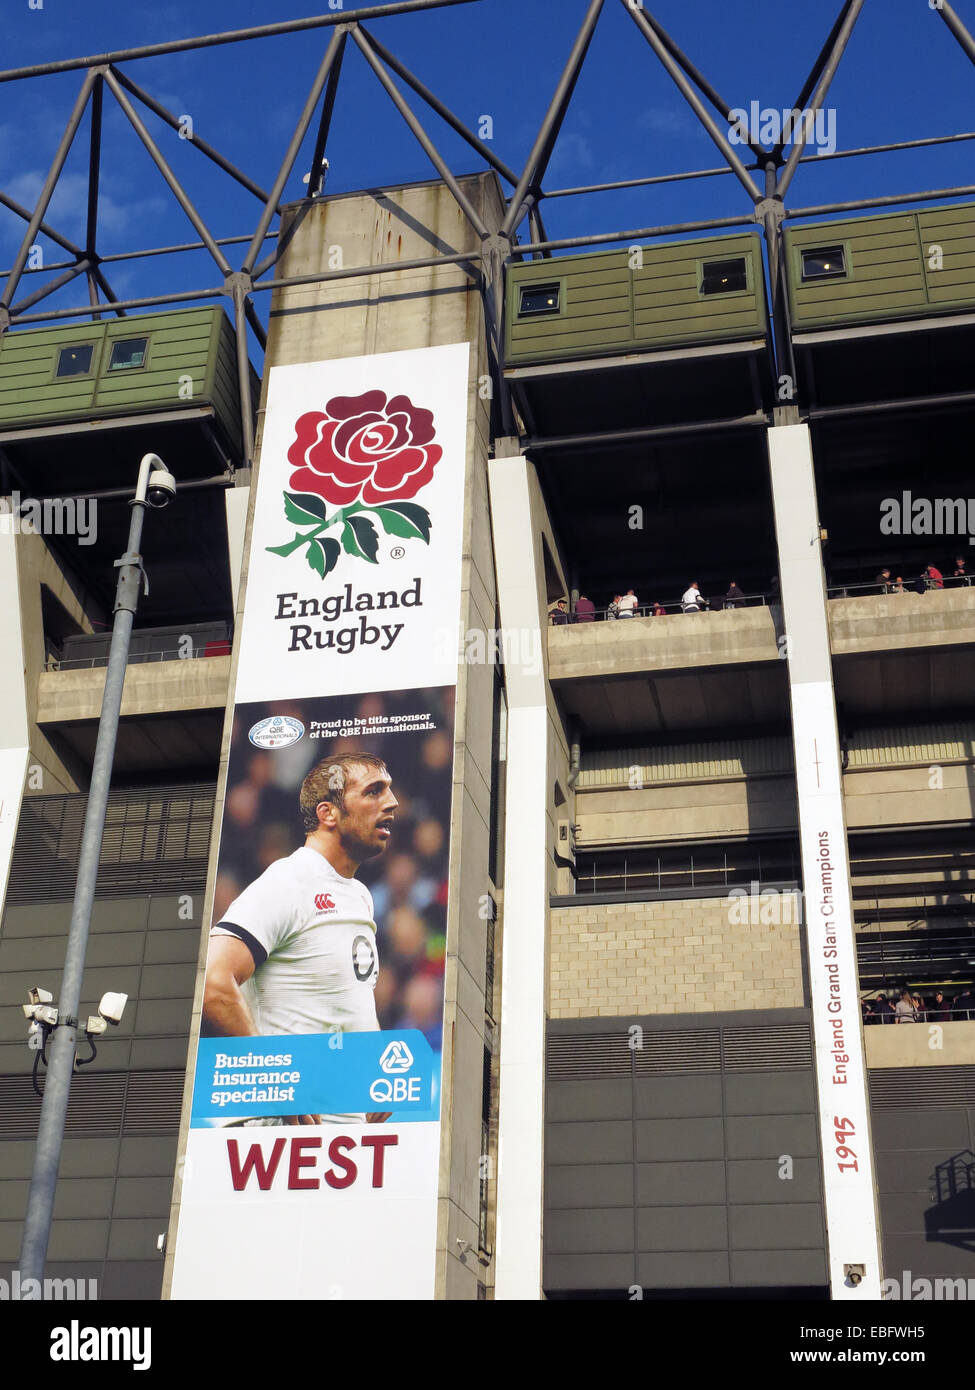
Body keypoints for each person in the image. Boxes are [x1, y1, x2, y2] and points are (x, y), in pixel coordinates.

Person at [202, 752, 397, 1124]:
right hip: (276, 1137)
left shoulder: (358, 894)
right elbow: (213, 980)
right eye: (374, 791)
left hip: (335, 1141)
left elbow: (343, 1000)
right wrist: (275, 1082)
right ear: (328, 814)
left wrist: (376, 1063)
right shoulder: (290, 880)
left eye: (388, 791)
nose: (392, 802)